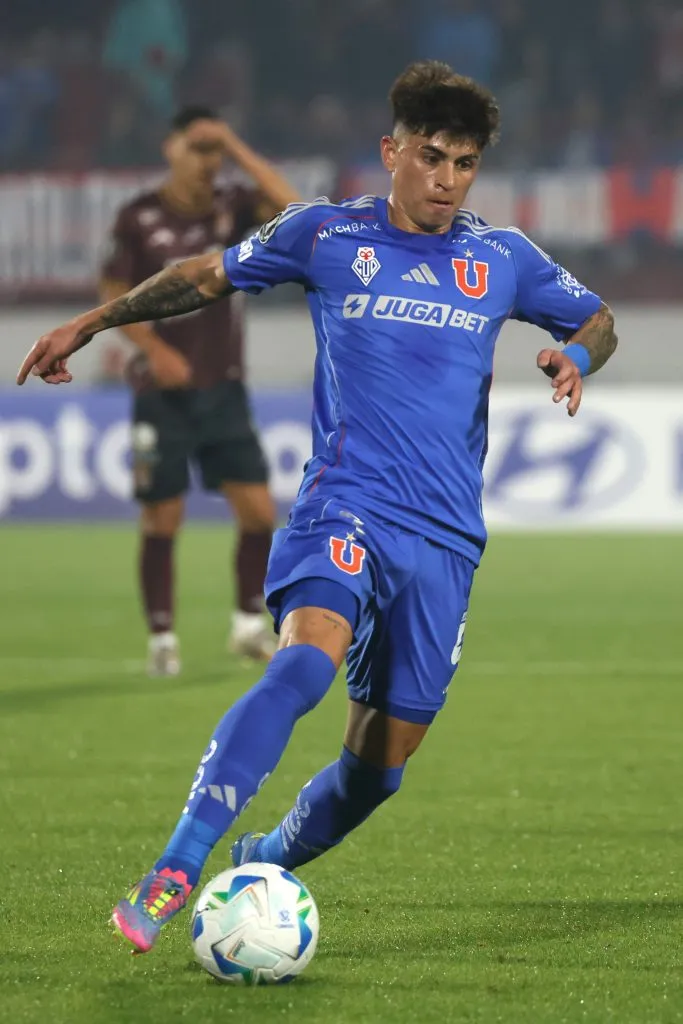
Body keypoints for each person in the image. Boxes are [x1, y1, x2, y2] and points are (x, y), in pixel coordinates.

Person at [17, 61, 618, 954]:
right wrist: (94, 322)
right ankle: (178, 864)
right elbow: (202, 276)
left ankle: (265, 859)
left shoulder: (503, 259)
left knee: (379, 769)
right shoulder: (326, 234)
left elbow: (598, 318)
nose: (446, 179)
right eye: (430, 157)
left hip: (446, 538)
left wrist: (578, 354)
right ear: (391, 153)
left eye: (463, 163)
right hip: (346, 505)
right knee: (302, 669)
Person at [99, 106, 301, 673]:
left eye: (214, 151)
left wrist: (235, 144)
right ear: (170, 148)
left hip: (223, 389)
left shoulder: (231, 207)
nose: (207, 161)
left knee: (260, 513)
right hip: (159, 395)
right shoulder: (137, 217)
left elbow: (294, 211)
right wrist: (154, 349)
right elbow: (115, 293)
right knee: (163, 517)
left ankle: (247, 625)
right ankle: (162, 637)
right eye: (198, 147)